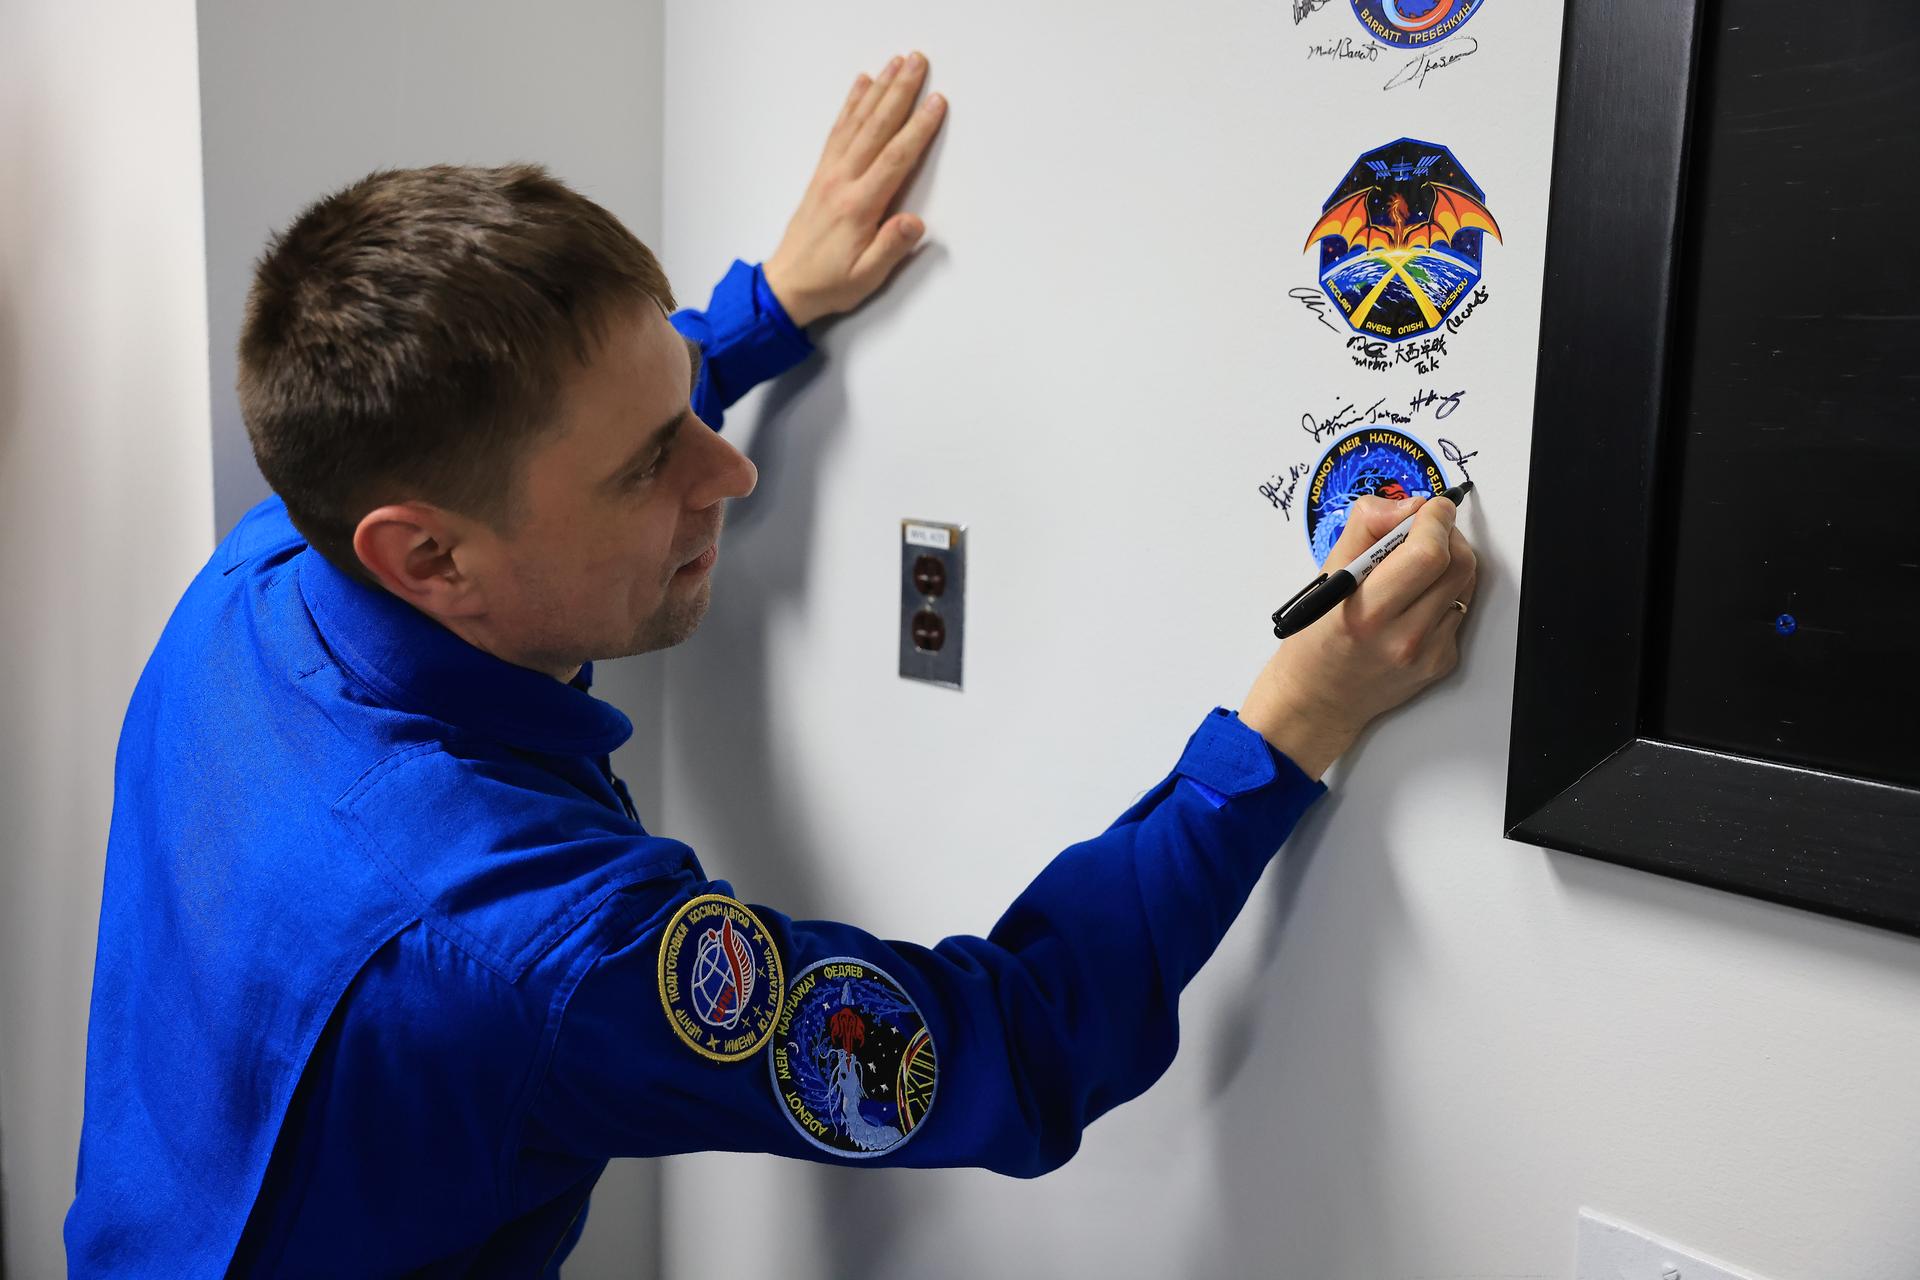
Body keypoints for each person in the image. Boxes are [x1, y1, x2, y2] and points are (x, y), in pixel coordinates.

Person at [65, 52, 1478, 1277]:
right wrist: (1281, 734)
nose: (728, 469)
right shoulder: (540, 949)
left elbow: (559, 421)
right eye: (646, 468)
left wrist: (755, 317)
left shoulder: (272, 561)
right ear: (428, 559)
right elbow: (1018, 1052)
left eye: (688, 409)